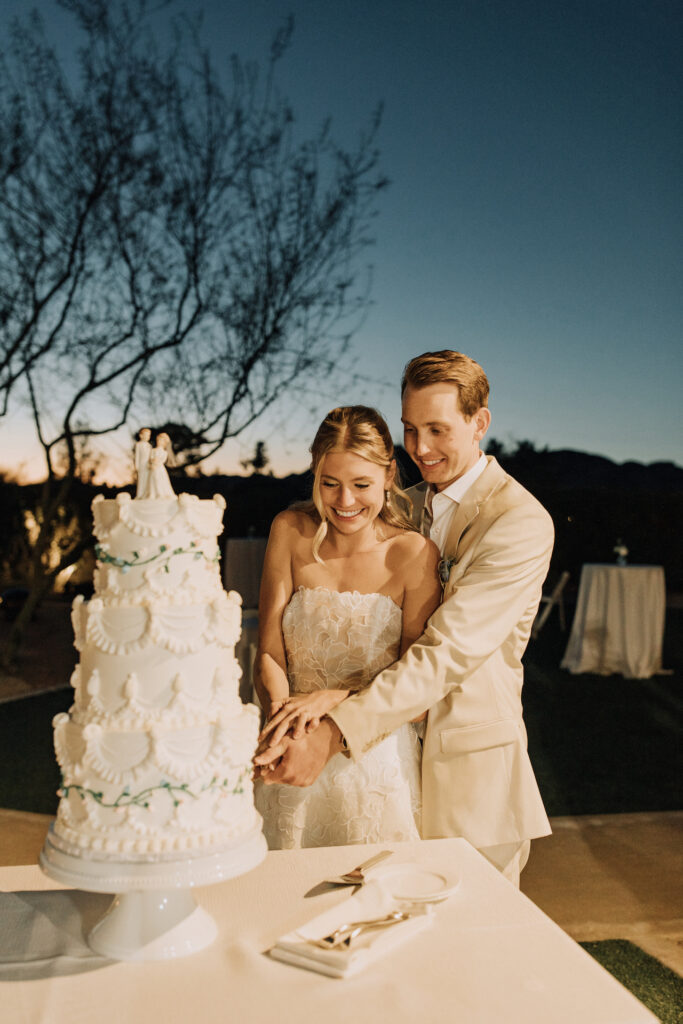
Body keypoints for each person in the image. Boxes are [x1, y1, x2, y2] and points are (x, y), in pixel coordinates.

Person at [255, 351, 554, 885]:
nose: (420, 448)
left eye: (438, 429)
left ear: (479, 422)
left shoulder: (519, 522)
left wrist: (331, 725)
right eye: (411, 429)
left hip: (467, 781)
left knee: (463, 952)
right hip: (383, 765)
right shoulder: (398, 505)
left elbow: (441, 656)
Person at [253, 405, 440, 848]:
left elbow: (419, 696)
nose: (345, 501)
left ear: (389, 475)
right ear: (314, 475)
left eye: (361, 485)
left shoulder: (413, 555)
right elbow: (269, 652)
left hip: (373, 766)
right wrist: (286, 732)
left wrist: (334, 702)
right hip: (287, 753)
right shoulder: (289, 531)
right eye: (329, 484)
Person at [142, 432, 175, 498]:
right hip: (153, 467)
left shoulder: (164, 452)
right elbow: (151, 457)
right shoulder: (153, 450)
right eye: (158, 440)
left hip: (159, 468)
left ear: (164, 442)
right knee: (153, 480)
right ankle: (153, 493)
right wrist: (152, 462)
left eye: (160, 440)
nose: (158, 442)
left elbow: (163, 459)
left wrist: (157, 462)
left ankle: (160, 493)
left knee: (160, 480)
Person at [134, 427, 152, 498]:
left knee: (148, 479)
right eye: (146, 435)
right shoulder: (138, 445)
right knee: (141, 480)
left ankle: (147, 494)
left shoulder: (149, 445)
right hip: (141, 465)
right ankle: (140, 494)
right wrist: (136, 466)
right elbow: (137, 456)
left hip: (148, 465)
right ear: (141, 435)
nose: (147, 437)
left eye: (149, 435)